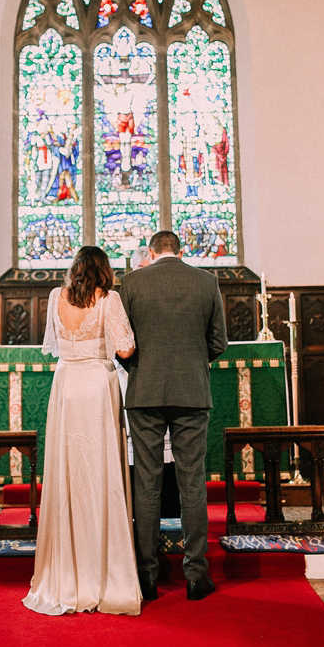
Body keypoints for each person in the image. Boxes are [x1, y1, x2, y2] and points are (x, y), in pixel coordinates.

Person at [23, 245, 141, 616]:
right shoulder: (109, 299)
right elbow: (124, 350)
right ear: (104, 271)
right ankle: (103, 572)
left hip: (67, 384)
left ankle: (65, 573)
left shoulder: (56, 296)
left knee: (69, 473)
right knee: (99, 473)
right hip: (96, 386)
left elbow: (54, 345)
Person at [119, 230, 228, 602]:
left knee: (146, 484)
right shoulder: (206, 281)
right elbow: (218, 342)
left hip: (144, 393)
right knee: (192, 483)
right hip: (192, 392)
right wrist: (193, 366)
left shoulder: (130, 283)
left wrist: (141, 368)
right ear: (181, 252)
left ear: (151, 252)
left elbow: (123, 345)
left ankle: (146, 576)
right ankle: (196, 576)